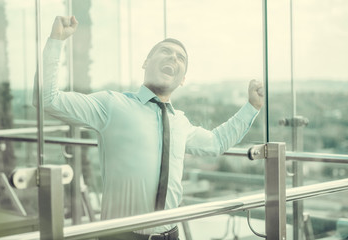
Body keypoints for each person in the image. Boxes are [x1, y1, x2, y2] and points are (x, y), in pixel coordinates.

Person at [35, 16, 264, 240]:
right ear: (145, 63)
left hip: (171, 235)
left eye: (180, 57)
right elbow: (47, 99)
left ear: (183, 78)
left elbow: (216, 143)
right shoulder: (112, 105)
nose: (173, 58)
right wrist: (56, 41)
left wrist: (252, 107)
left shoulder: (180, 123)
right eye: (165, 52)